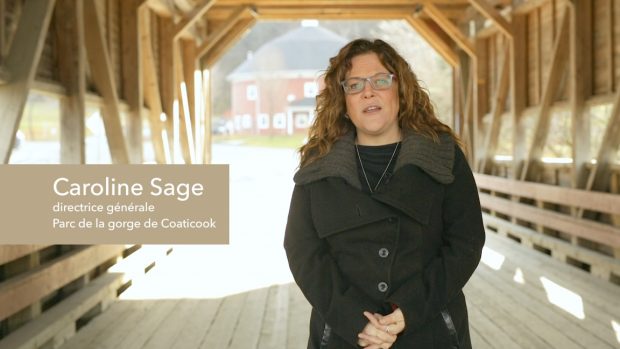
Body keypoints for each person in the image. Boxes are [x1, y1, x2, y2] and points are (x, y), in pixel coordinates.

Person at [283, 38, 485, 349]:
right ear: (344, 102)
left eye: (380, 80)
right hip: (342, 334)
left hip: (428, 331)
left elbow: (466, 242)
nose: (368, 91)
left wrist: (409, 310)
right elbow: (302, 250)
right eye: (354, 85)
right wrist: (357, 321)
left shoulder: (442, 155)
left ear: (401, 91)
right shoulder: (318, 163)